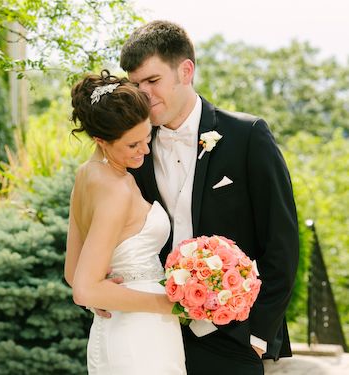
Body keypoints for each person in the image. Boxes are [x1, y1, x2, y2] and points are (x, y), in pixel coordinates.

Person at [117, 20, 300, 375]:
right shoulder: (133, 148)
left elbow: (282, 241)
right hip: (152, 330)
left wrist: (259, 334)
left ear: (185, 71)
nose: (144, 94)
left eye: (152, 81)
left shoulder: (247, 136)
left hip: (233, 336)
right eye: (136, 84)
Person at [64, 70, 186, 374]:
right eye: (133, 145)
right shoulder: (116, 190)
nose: (144, 150)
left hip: (120, 327)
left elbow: (72, 271)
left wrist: (102, 296)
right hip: (141, 336)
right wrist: (172, 305)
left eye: (146, 138)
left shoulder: (86, 175)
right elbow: (84, 290)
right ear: (101, 140)